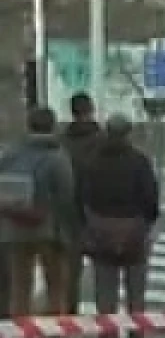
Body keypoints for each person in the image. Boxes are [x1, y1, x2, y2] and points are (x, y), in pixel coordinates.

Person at [76, 114, 160, 338]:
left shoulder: (91, 162)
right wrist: (144, 223)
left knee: (105, 294)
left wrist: (92, 224)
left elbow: (82, 198)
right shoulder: (139, 162)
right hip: (134, 232)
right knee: (136, 294)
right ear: (129, 133)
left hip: (100, 232)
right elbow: (150, 199)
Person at [0, 106, 82, 338]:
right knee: (55, 284)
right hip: (49, 229)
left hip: (14, 227)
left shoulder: (10, 154)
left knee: (19, 286)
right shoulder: (57, 156)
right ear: (52, 126)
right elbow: (67, 194)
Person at [59, 92, 105, 315]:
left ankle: (68, 315)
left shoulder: (61, 142)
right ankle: (106, 315)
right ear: (91, 109)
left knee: (69, 271)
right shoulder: (103, 141)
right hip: (99, 212)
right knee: (105, 270)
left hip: (67, 213)